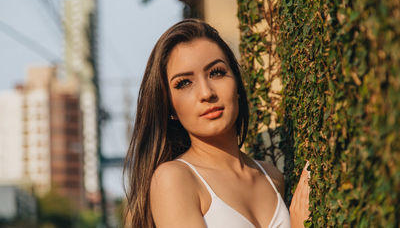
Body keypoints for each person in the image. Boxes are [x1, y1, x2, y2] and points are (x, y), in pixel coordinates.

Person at [124, 19, 310, 228]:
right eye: (184, 83)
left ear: (237, 85)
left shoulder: (272, 177)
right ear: (169, 108)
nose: (206, 93)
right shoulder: (174, 180)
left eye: (217, 72)